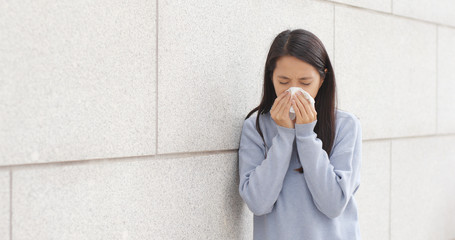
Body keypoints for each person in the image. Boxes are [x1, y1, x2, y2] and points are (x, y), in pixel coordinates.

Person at [238, 29, 362, 240]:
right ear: (271, 78)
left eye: (305, 83)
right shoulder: (256, 127)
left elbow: (333, 205)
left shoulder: (345, 126)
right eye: (283, 82)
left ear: (322, 79)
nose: (293, 91)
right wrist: (285, 136)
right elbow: (258, 203)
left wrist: (305, 135)